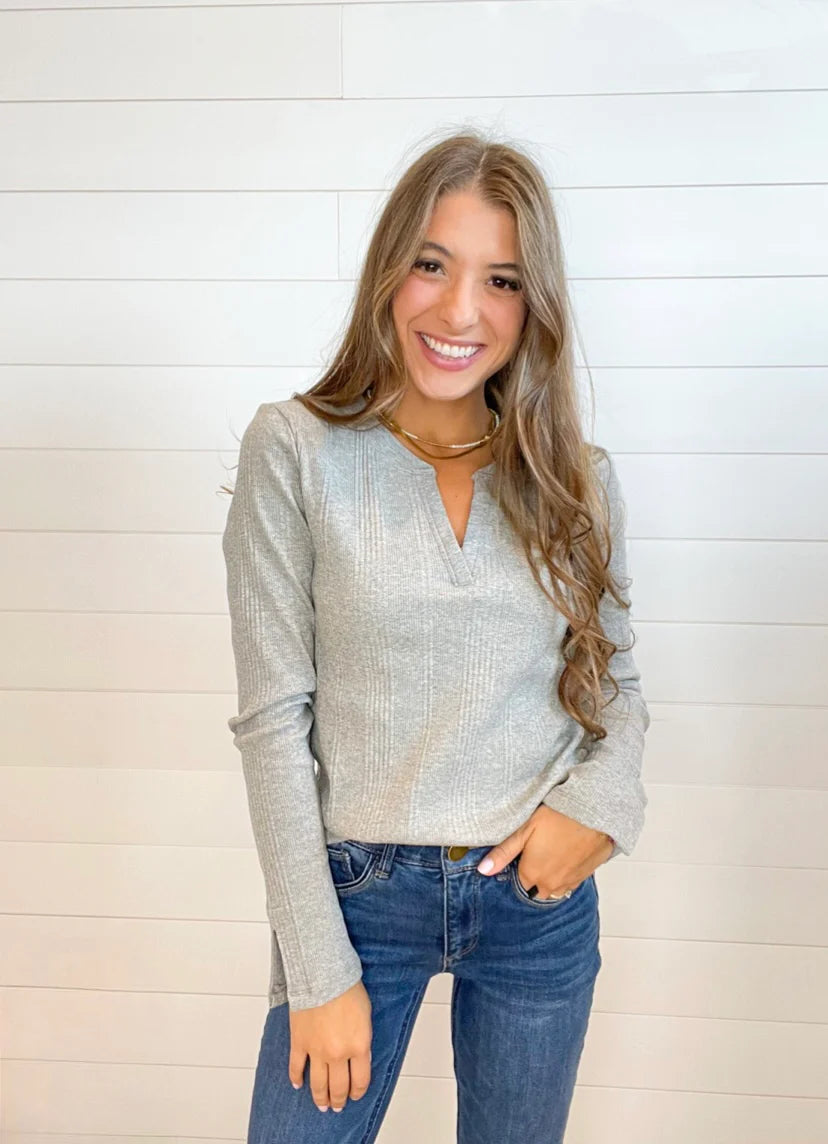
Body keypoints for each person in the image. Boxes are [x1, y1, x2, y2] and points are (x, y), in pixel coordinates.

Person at [221, 127, 650, 1143]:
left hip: (534, 900)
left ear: (533, 305)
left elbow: (616, 687)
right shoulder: (296, 450)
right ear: (388, 271)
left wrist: (598, 808)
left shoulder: (576, 478)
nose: (460, 311)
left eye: (501, 280)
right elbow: (274, 724)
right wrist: (316, 970)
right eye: (431, 264)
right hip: (358, 901)